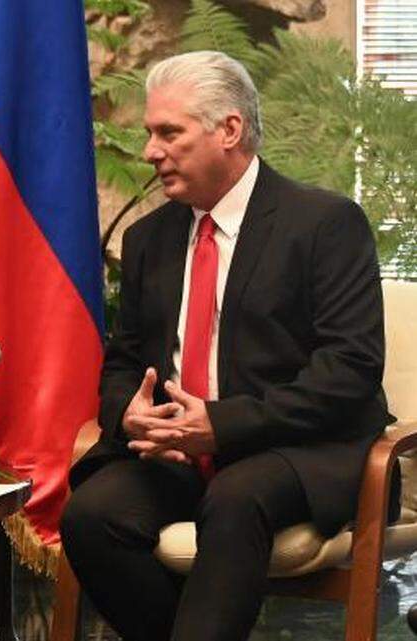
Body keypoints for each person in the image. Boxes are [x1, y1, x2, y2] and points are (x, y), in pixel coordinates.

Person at [60, 51, 392, 641]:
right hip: (177, 454)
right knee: (90, 516)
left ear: (229, 130)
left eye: (169, 133)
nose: (150, 151)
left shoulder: (325, 223)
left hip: (298, 448)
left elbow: (349, 370)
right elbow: (125, 360)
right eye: (149, 134)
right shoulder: (148, 238)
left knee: (237, 499)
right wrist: (129, 413)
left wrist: (221, 425)